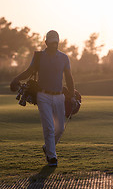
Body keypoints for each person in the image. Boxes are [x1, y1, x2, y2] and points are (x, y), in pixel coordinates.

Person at [10, 30, 75, 167]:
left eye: (56, 43)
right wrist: (16, 78)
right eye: (51, 43)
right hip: (43, 96)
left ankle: (48, 147)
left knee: (60, 129)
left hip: (59, 96)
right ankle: (52, 157)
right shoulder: (39, 57)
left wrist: (72, 94)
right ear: (46, 42)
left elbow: (69, 77)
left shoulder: (64, 58)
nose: (54, 45)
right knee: (49, 127)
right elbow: (29, 71)